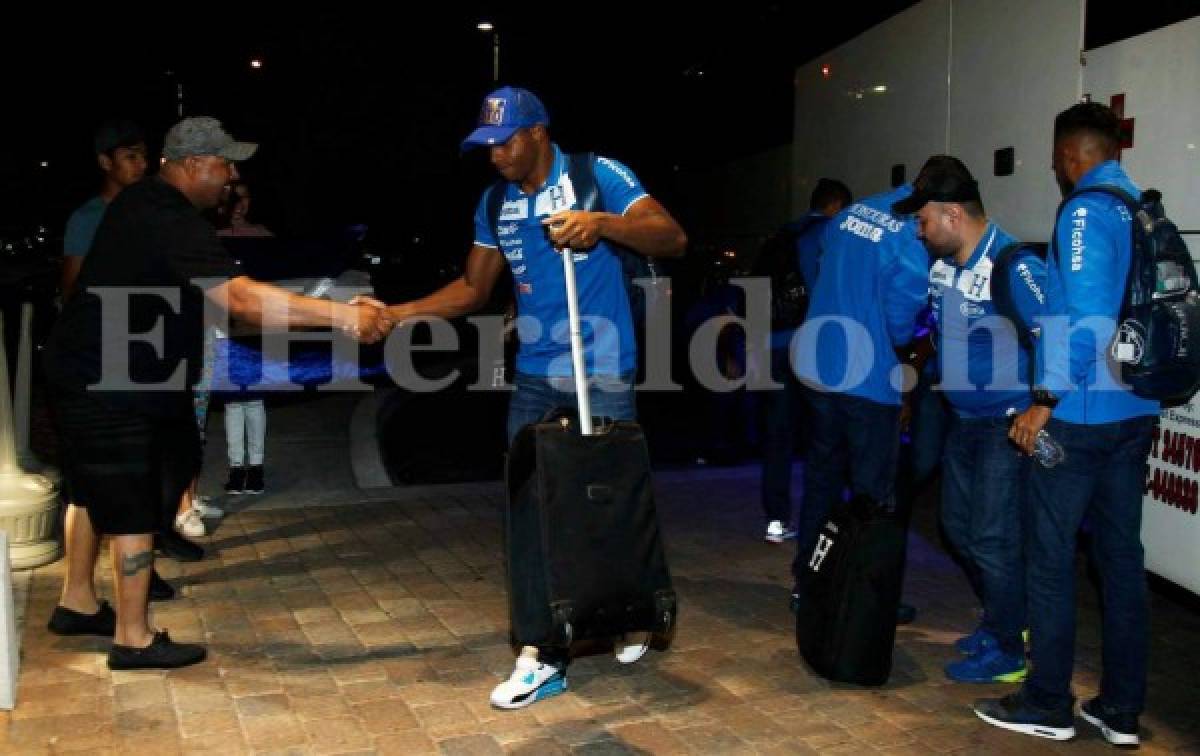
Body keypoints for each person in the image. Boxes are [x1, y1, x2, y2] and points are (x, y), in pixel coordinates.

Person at [43, 116, 390, 670]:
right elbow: (242, 302)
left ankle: (78, 602)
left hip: (96, 371)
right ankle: (132, 638)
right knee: (132, 504)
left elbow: (229, 309)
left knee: (91, 490)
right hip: (112, 381)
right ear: (189, 165)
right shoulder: (168, 216)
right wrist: (342, 317)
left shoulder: (146, 205)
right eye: (224, 163)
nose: (231, 175)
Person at [384, 86, 686, 709]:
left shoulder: (597, 174)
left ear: (539, 133)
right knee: (531, 511)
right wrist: (397, 314)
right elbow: (472, 289)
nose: (495, 156)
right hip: (532, 378)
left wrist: (602, 224)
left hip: (601, 371)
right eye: (486, 146)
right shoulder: (495, 202)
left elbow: (670, 237)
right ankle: (543, 654)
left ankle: (625, 609)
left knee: (608, 506)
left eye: (505, 142)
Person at [975, 102, 1159, 747]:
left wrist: (1043, 399)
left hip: (1081, 416)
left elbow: (1086, 317)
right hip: (1137, 411)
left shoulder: (1085, 210)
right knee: (1120, 562)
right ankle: (1121, 711)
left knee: (1050, 563)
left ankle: (1048, 702)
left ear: (1067, 156)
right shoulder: (1139, 204)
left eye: (1057, 159)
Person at [892, 158, 1045, 684]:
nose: (918, 229)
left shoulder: (1011, 262)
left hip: (1005, 424)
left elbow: (1060, 335)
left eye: (923, 219)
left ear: (952, 214)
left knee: (992, 538)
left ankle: (1010, 649)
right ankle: (1004, 620)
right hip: (962, 420)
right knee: (957, 527)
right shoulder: (939, 266)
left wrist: (1040, 406)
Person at [790, 173, 930, 608]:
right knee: (874, 496)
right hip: (867, 379)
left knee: (822, 482)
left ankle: (809, 585)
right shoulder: (911, 232)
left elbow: (820, 272)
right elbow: (900, 321)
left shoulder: (850, 213)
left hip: (819, 366)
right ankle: (868, 596)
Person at [757, 178, 851, 543]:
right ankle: (824, 519)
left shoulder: (782, 235)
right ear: (836, 206)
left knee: (778, 435)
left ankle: (776, 520)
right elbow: (827, 290)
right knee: (823, 434)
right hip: (810, 343)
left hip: (773, 342)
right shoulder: (826, 233)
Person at [216, 182, 274, 498]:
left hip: (256, 328)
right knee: (232, 403)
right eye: (233, 198)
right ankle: (237, 468)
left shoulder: (262, 236)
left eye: (245, 197)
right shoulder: (214, 238)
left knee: (254, 400)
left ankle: (257, 468)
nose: (239, 205)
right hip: (224, 328)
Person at [61, 120, 149, 301]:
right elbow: (70, 291)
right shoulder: (86, 218)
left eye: (143, 156)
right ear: (105, 162)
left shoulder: (150, 211)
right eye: (131, 157)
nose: (143, 164)